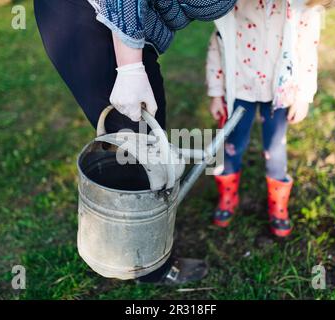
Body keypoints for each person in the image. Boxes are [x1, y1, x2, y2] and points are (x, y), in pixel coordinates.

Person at [34, 0, 236, 284]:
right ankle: (145, 265)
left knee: (144, 136)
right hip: (90, 13)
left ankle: (139, 253)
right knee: (136, 143)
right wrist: (129, 69)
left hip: (125, 25)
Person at [206, 0, 335, 236]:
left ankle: (278, 204)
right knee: (231, 145)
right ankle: (228, 195)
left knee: (275, 148)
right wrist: (216, 92)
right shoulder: (235, 4)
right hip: (239, 88)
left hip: (279, 91)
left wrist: (303, 96)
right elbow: (219, 43)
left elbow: (307, 50)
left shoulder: (302, 7)